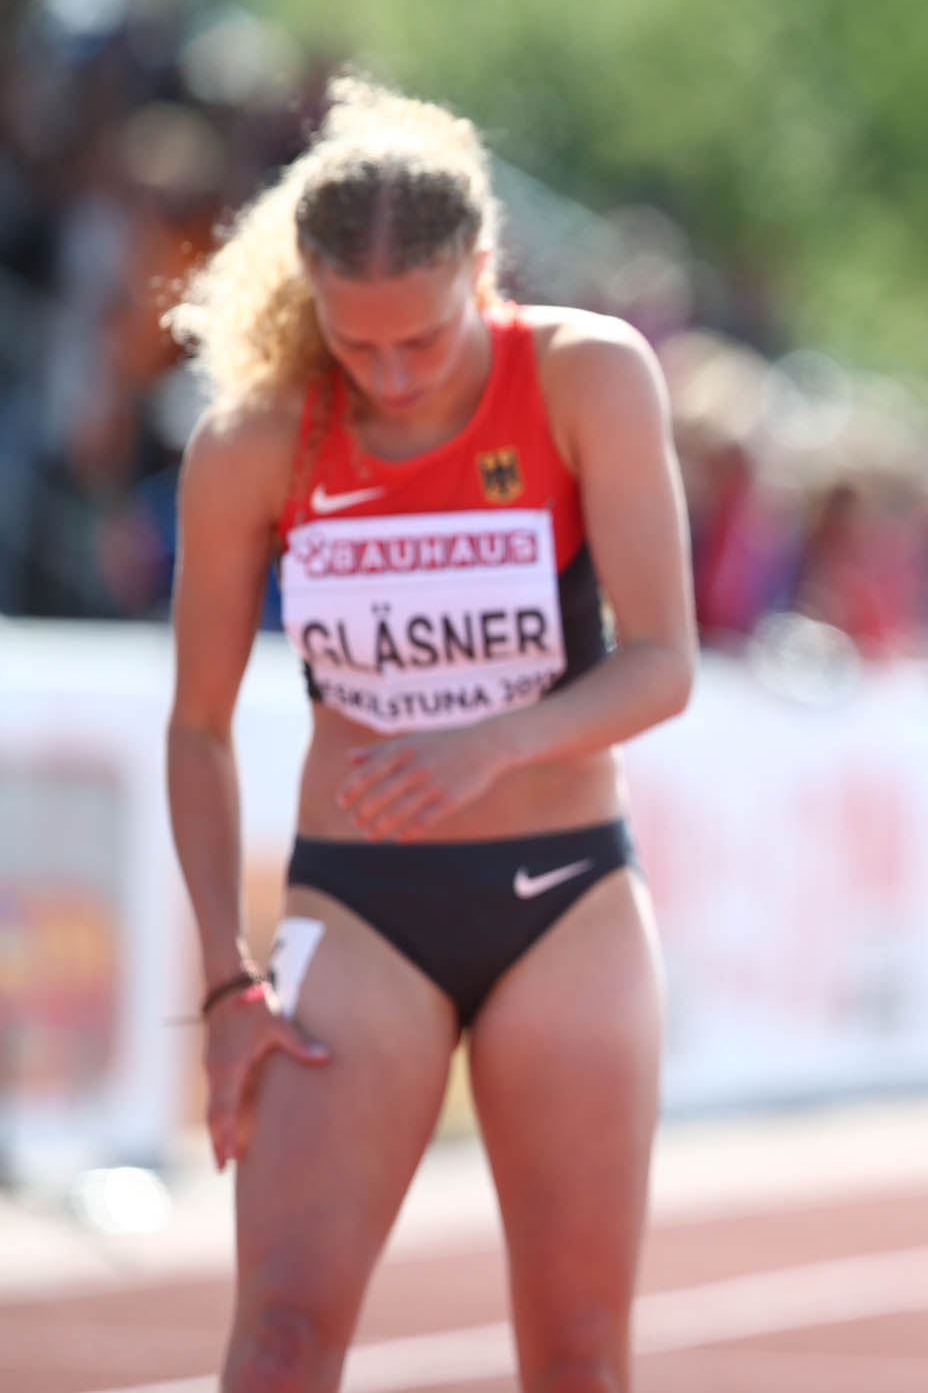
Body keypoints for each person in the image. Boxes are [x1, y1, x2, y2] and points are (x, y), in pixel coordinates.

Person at [163, 76, 695, 1393]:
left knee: (578, 1357)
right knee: (280, 1342)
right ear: (309, 304)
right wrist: (226, 981)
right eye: (358, 347)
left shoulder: (584, 374)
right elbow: (199, 728)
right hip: (358, 908)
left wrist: (491, 743)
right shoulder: (256, 438)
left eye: (425, 339)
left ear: (484, 271)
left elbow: (664, 665)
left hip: (565, 902)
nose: (394, 375)